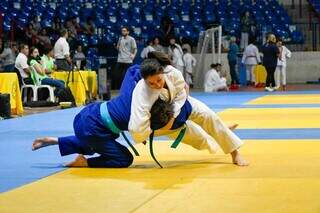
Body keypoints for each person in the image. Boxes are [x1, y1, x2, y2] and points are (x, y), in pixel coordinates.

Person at [31, 65, 210, 167]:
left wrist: (148, 71)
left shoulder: (133, 90)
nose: (157, 85)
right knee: (124, 159)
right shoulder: (144, 114)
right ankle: (85, 163)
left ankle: (56, 140)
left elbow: (133, 69)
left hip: (89, 113)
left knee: (99, 140)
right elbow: (154, 130)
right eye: (155, 82)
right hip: (93, 128)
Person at [129, 53, 248, 166]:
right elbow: (136, 125)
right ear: (144, 81)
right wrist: (144, 134)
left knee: (210, 117)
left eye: (159, 80)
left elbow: (182, 91)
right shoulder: (142, 91)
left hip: (183, 103)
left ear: (162, 72)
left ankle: (235, 153)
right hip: (163, 122)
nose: (157, 85)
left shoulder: (171, 72)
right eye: (151, 83)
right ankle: (218, 133)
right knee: (200, 140)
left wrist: (173, 115)